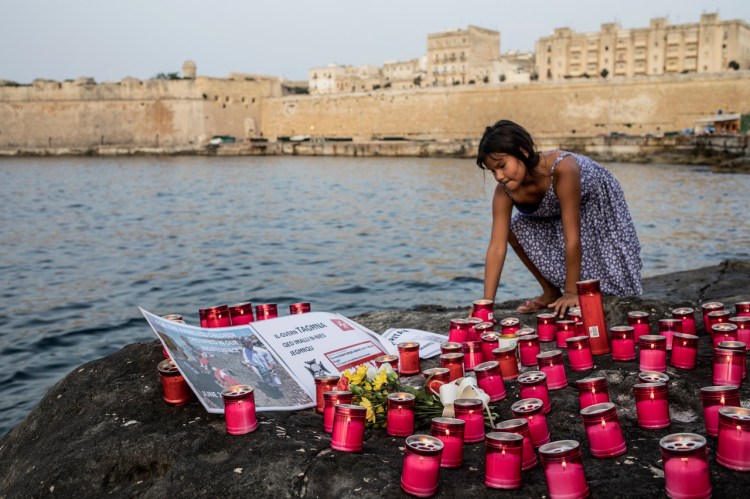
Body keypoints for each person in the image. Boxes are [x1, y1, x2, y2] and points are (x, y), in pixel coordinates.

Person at [477, 120, 642, 318]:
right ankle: (550, 291)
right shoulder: (504, 192)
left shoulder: (562, 168)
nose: (499, 176)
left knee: (615, 285)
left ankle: (570, 289)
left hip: (596, 202)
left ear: (524, 152)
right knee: (512, 230)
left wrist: (571, 293)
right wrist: (485, 307)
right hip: (554, 208)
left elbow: (571, 238)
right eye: (493, 171)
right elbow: (496, 247)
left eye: (502, 166)